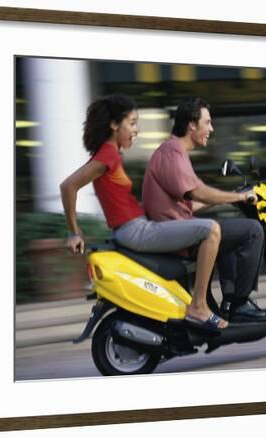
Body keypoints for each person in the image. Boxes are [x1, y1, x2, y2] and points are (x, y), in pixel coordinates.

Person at [59, 94, 227, 329]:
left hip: (136, 228)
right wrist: (74, 233)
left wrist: (220, 200)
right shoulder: (107, 155)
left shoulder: (111, 154)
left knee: (203, 228)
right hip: (136, 231)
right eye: (132, 123)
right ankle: (198, 307)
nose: (137, 130)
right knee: (211, 230)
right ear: (114, 125)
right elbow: (68, 186)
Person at [142, 97, 266, 321]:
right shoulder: (172, 152)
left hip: (178, 230)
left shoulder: (173, 151)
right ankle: (240, 303)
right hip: (176, 235)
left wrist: (229, 198)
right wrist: (240, 196)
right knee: (252, 230)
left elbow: (190, 202)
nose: (211, 129)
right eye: (207, 122)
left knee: (228, 232)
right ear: (192, 124)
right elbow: (197, 192)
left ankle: (231, 300)